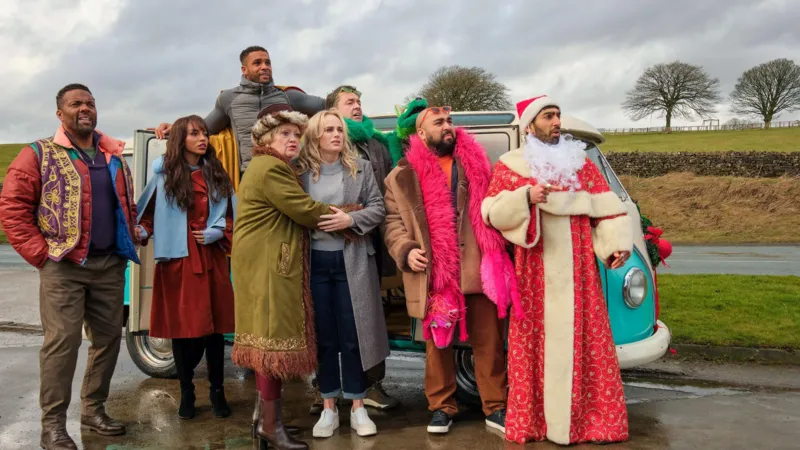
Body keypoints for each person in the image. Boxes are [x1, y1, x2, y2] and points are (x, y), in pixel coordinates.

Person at [482, 95, 632, 445]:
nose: (556, 122)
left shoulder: (581, 165)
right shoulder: (511, 166)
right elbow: (492, 213)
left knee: (586, 342)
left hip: (580, 272)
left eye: (558, 115)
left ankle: (588, 423)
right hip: (535, 272)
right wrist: (525, 198)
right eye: (548, 116)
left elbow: (607, 210)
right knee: (534, 344)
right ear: (530, 125)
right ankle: (538, 423)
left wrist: (614, 246)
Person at [0, 84, 140, 450]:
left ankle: (93, 410)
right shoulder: (37, 154)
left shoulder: (112, 155)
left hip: (110, 265)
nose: (85, 108)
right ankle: (52, 426)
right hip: (63, 265)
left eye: (90, 103)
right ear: (60, 113)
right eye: (76, 103)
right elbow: (12, 208)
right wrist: (41, 255)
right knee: (62, 343)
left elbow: (126, 204)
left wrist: (134, 230)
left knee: (109, 339)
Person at [383, 106, 517, 435]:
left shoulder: (477, 165)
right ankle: (442, 407)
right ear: (421, 133)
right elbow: (392, 224)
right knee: (438, 344)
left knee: (488, 341)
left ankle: (495, 406)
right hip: (435, 274)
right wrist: (406, 250)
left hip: (477, 269)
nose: (448, 127)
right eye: (439, 123)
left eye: (450, 121)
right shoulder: (400, 175)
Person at [231, 104, 334, 450]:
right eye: (285, 134)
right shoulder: (271, 168)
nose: (293, 139)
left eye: (296, 134)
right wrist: (350, 214)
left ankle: (265, 422)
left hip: (262, 265)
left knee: (267, 343)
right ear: (266, 137)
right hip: (268, 267)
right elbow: (304, 210)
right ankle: (271, 428)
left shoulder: (266, 165)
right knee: (271, 345)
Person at [136, 115, 236, 420]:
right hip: (177, 261)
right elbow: (146, 216)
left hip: (210, 258)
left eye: (204, 133)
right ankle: (187, 390)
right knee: (182, 332)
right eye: (194, 134)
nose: (203, 138)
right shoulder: (164, 176)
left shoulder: (217, 174)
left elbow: (234, 215)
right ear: (181, 140)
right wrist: (141, 232)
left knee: (215, 330)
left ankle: (217, 391)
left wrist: (217, 231)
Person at [296, 110, 388, 437]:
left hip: (353, 262)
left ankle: (358, 405)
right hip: (315, 263)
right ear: (315, 136)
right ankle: (328, 407)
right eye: (328, 129)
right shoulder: (300, 174)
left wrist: (351, 221)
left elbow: (378, 208)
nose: (337, 134)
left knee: (353, 335)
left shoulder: (360, 168)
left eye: (339, 129)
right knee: (324, 336)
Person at [311, 85, 398, 412]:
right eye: (350, 102)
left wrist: (354, 218)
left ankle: (370, 387)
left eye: (360, 101)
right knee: (324, 330)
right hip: (323, 255)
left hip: (366, 245)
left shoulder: (376, 144)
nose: (358, 106)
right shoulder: (306, 168)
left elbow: (385, 196)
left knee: (363, 322)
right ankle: (324, 394)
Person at [154, 46, 325, 174]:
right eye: (257, 63)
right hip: (250, 173)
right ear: (244, 70)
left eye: (268, 62)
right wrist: (176, 127)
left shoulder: (288, 96)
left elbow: (329, 105)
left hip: (289, 171)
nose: (264, 66)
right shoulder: (229, 98)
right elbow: (206, 128)